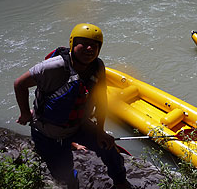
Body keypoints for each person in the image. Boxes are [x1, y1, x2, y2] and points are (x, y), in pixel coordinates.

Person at [14, 23, 131, 189]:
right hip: (48, 133)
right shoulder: (53, 67)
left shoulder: (97, 66)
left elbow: (101, 100)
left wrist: (100, 131)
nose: (90, 48)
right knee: (64, 174)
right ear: (73, 44)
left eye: (95, 45)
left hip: (78, 125)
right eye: (83, 43)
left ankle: (120, 183)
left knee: (108, 147)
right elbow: (19, 84)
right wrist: (25, 113)